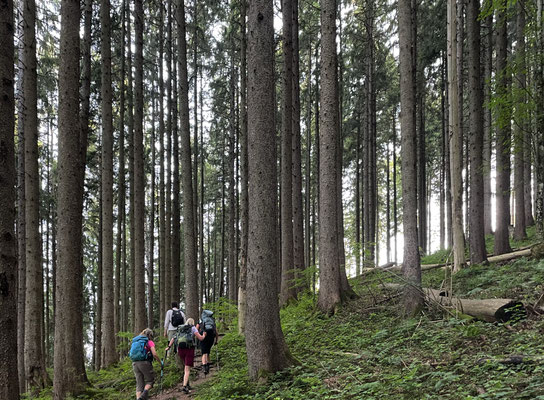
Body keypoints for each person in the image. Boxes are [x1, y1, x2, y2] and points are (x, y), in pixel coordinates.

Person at [166, 318, 206, 394]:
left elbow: (173, 338)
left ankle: (187, 384)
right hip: (189, 349)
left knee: (185, 366)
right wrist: (203, 335)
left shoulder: (180, 328)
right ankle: (184, 386)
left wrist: (169, 346)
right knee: (187, 369)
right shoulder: (193, 328)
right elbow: (200, 338)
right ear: (192, 323)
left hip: (180, 350)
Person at [130, 328, 161, 400]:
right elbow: (154, 354)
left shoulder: (136, 341)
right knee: (150, 380)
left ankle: (139, 398)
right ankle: (144, 395)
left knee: (139, 384)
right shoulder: (149, 342)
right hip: (144, 362)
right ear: (150, 335)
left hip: (134, 363)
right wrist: (160, 362)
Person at [198, 310, 218, 375]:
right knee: (208, 351)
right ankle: (208, 364)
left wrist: (198, 336)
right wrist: (216, 340)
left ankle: (205, 367)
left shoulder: (201, 320)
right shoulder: (212, 320)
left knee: (204, 352)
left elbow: (196, 328)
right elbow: (216, 331)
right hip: (211, 336)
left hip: (203, 335)